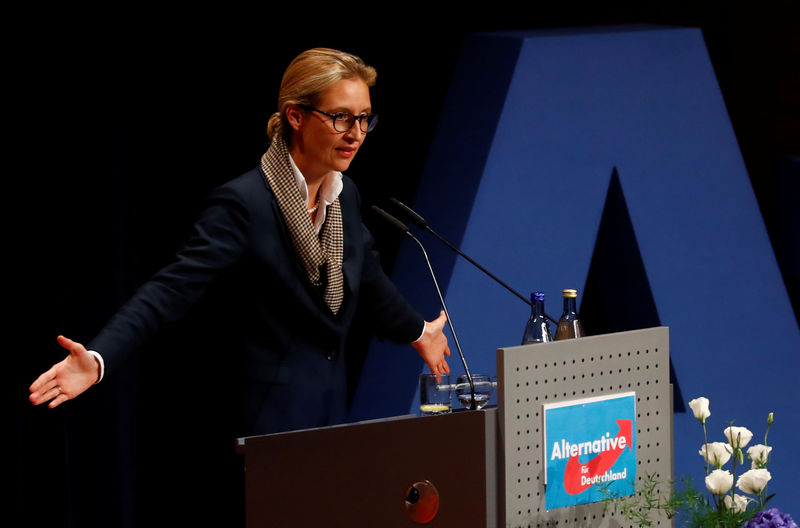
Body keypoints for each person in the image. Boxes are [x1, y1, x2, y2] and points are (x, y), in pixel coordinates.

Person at [30, 48, 451, 435]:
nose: (355, 133)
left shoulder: (344, 196)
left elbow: (368, 276)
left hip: (327, 417)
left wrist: (419, 332)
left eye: (364, 119)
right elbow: (169, 290)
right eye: (341, 117)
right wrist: (99, 360)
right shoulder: (245, 204)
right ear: (296, 116)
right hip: (261, 426)